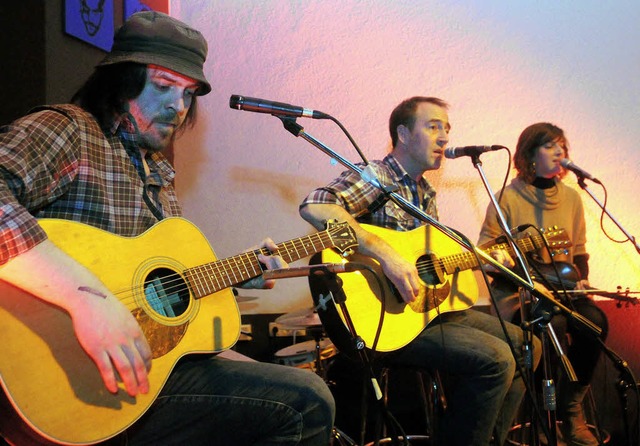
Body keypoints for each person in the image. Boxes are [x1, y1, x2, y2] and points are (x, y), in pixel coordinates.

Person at [0, 11, 334, 446]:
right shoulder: (70, 130)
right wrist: (86, 301)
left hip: (138, 375)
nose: (178, 107)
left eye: (188, 93)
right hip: (65, 380)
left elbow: (158, 292)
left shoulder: (157, 171)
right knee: (305, 400)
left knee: (279, 384)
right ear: (121, 79)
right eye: (161, 86)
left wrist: (234, 275)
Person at [299, 96, 541, 446]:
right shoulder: (378, 176)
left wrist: (481, 261)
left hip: (423, 315)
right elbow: (316, 205)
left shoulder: (424, 191)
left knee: (527, 347)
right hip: (383, 321)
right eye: (432, 126)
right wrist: (386, 256)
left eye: (447, 128)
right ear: (403, 133)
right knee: (497, 359)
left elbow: (430, 264)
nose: (444, 137)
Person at [478, 122, 609, 446]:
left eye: (562, 145)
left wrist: (582, 279)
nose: (559, 152)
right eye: (550, 146)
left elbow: (578, 251)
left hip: (562, 287)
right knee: (547, 327)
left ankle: (570, 410)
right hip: (519, 290)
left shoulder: (572, 197)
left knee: (593, 323)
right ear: (529, 154)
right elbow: (486, 252)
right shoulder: (507, 196)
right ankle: (540, 414)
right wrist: (508, 264)